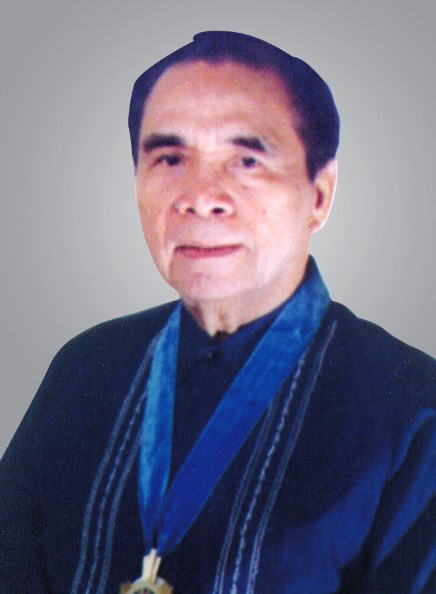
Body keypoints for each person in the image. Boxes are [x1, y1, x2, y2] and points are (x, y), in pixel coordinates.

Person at [0, 31, 434, 594]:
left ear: (319, 195)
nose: (201, 196)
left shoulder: (411, 411)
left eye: (247, 160)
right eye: (169, 158)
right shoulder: (84, 369)